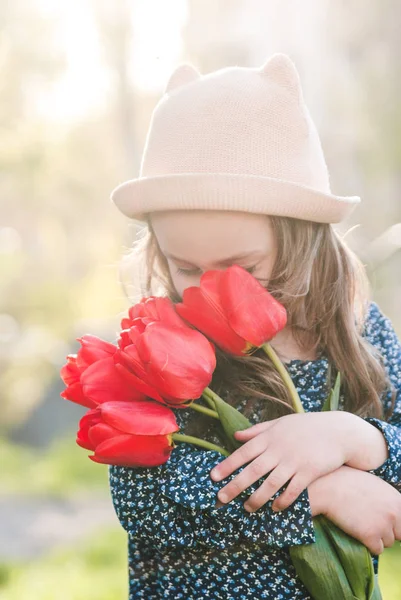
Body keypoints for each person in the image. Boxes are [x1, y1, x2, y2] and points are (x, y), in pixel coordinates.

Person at [108, 53, 401, 599]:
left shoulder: (357, 335)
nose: (206, 291)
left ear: (304, 238)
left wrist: (356, 439)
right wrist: (319, 495)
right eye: (185, 266)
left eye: (241, 268)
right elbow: (146, 504)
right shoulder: (159, 352)